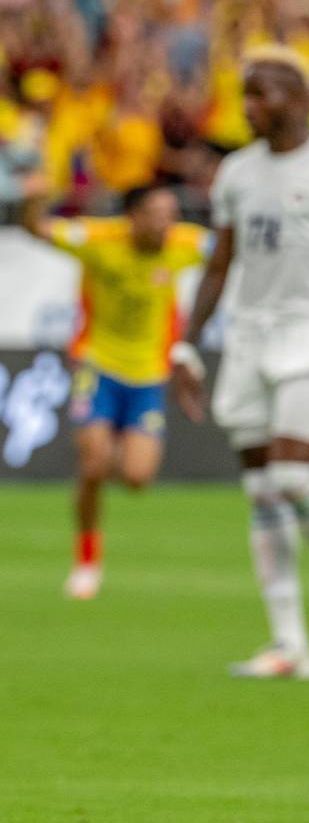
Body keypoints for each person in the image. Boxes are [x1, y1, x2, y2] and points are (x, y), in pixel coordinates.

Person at [172, 47, 309, 680]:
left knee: (291, 479)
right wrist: (187, 343)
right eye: (245, 97)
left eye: (259, 96)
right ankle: (289, 643)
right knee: (261, 491)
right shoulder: (235, 172)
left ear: (295, 99)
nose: (248, 109)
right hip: (248, 338)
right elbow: (220, 261)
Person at [20, 182, 208, 598]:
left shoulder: (184, 244)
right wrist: (34, 196)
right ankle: (87, 558)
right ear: (133, 217)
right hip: (97, 364)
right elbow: (36, 229)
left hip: (148, 375)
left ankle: (118, 437)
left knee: (137, 477)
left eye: (171, 215)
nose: (167, 224)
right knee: (93, 466)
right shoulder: (97, 239)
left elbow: (231, 248)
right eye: (158, 215)